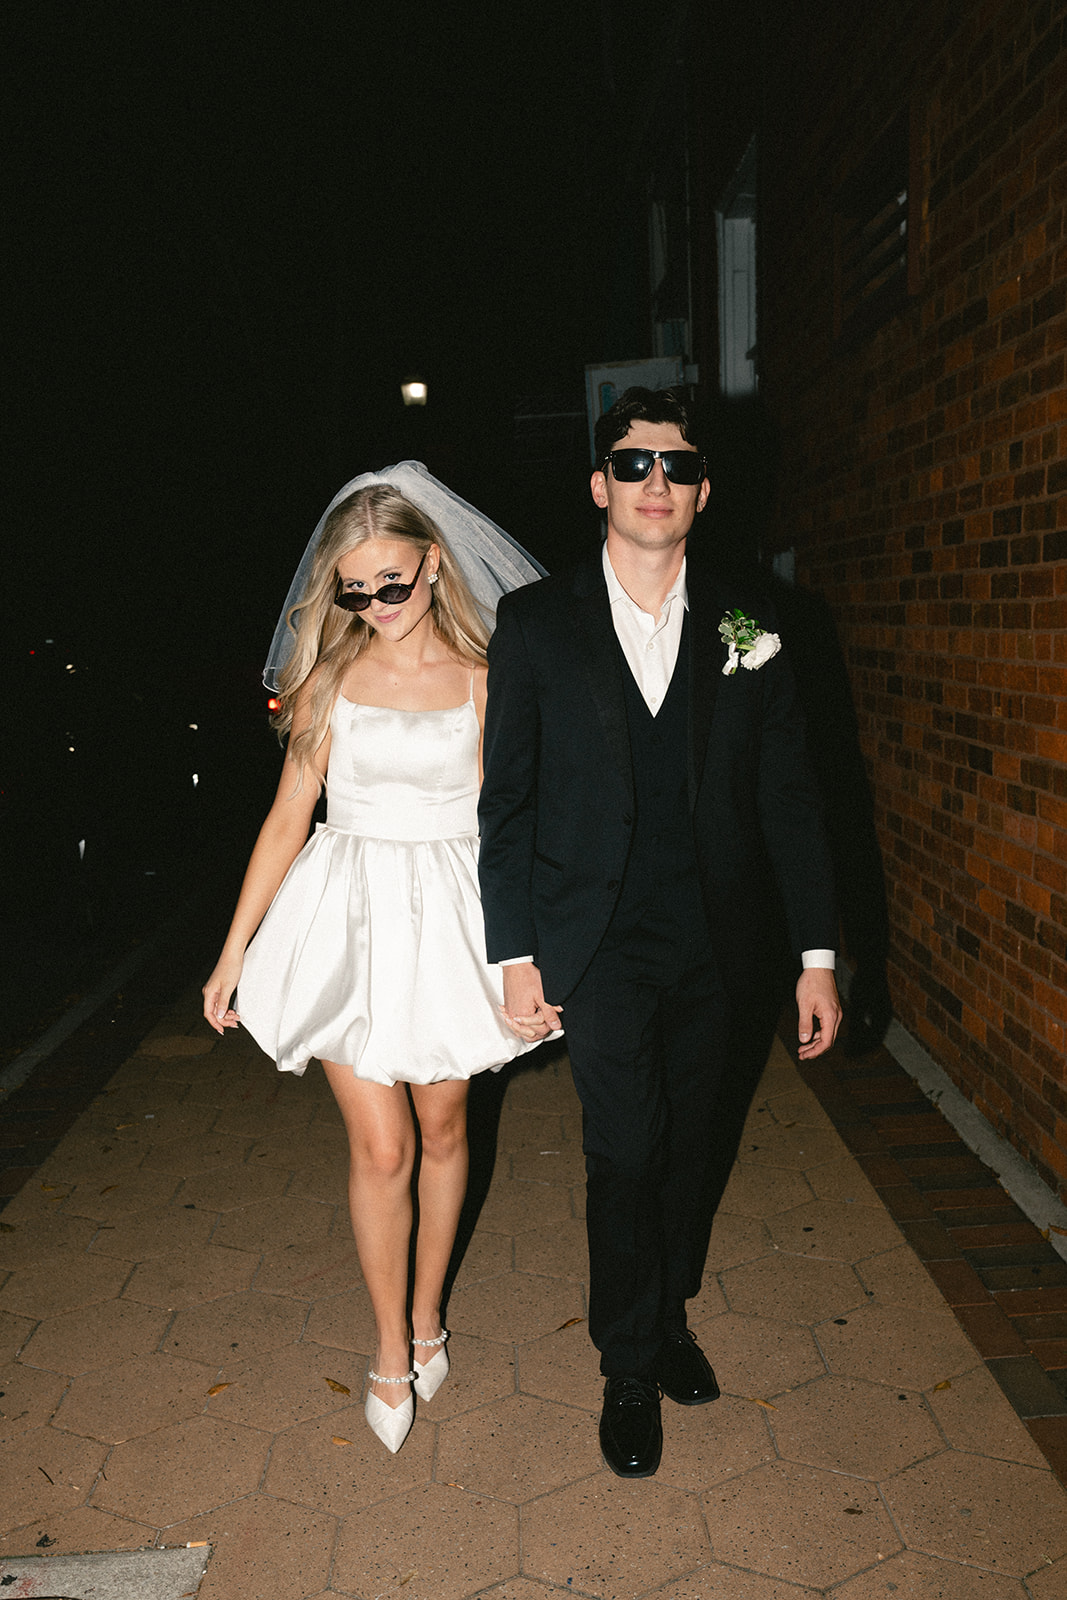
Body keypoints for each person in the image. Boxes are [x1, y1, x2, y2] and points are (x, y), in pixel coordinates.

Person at [478, 387, 843, 1478]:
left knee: (692, 1143)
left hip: (719, 942)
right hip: (593, 943)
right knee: (625, 1144)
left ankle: (666, 1308)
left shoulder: (752, 623)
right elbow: (509, 801)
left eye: (676, 468)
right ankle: (627, 1361)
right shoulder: (537, 623)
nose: (654, 485)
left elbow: (791, 800)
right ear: (597, 485)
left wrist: (815, 956)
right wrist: (513, 953)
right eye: (632, 466)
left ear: (701, 492)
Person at [203, 464, 545, 1454]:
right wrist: (232, 954)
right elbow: (283, 822)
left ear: (432, 564)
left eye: (391, 583)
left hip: (452, 918)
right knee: (381, 1146)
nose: (374, 605)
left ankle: (430, 1308)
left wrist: (531, 953)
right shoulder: (327, 677)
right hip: (343, 919)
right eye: (354, 590)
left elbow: (511, 825)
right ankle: (389, 1346)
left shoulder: (488, 678)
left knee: (442, 1131)